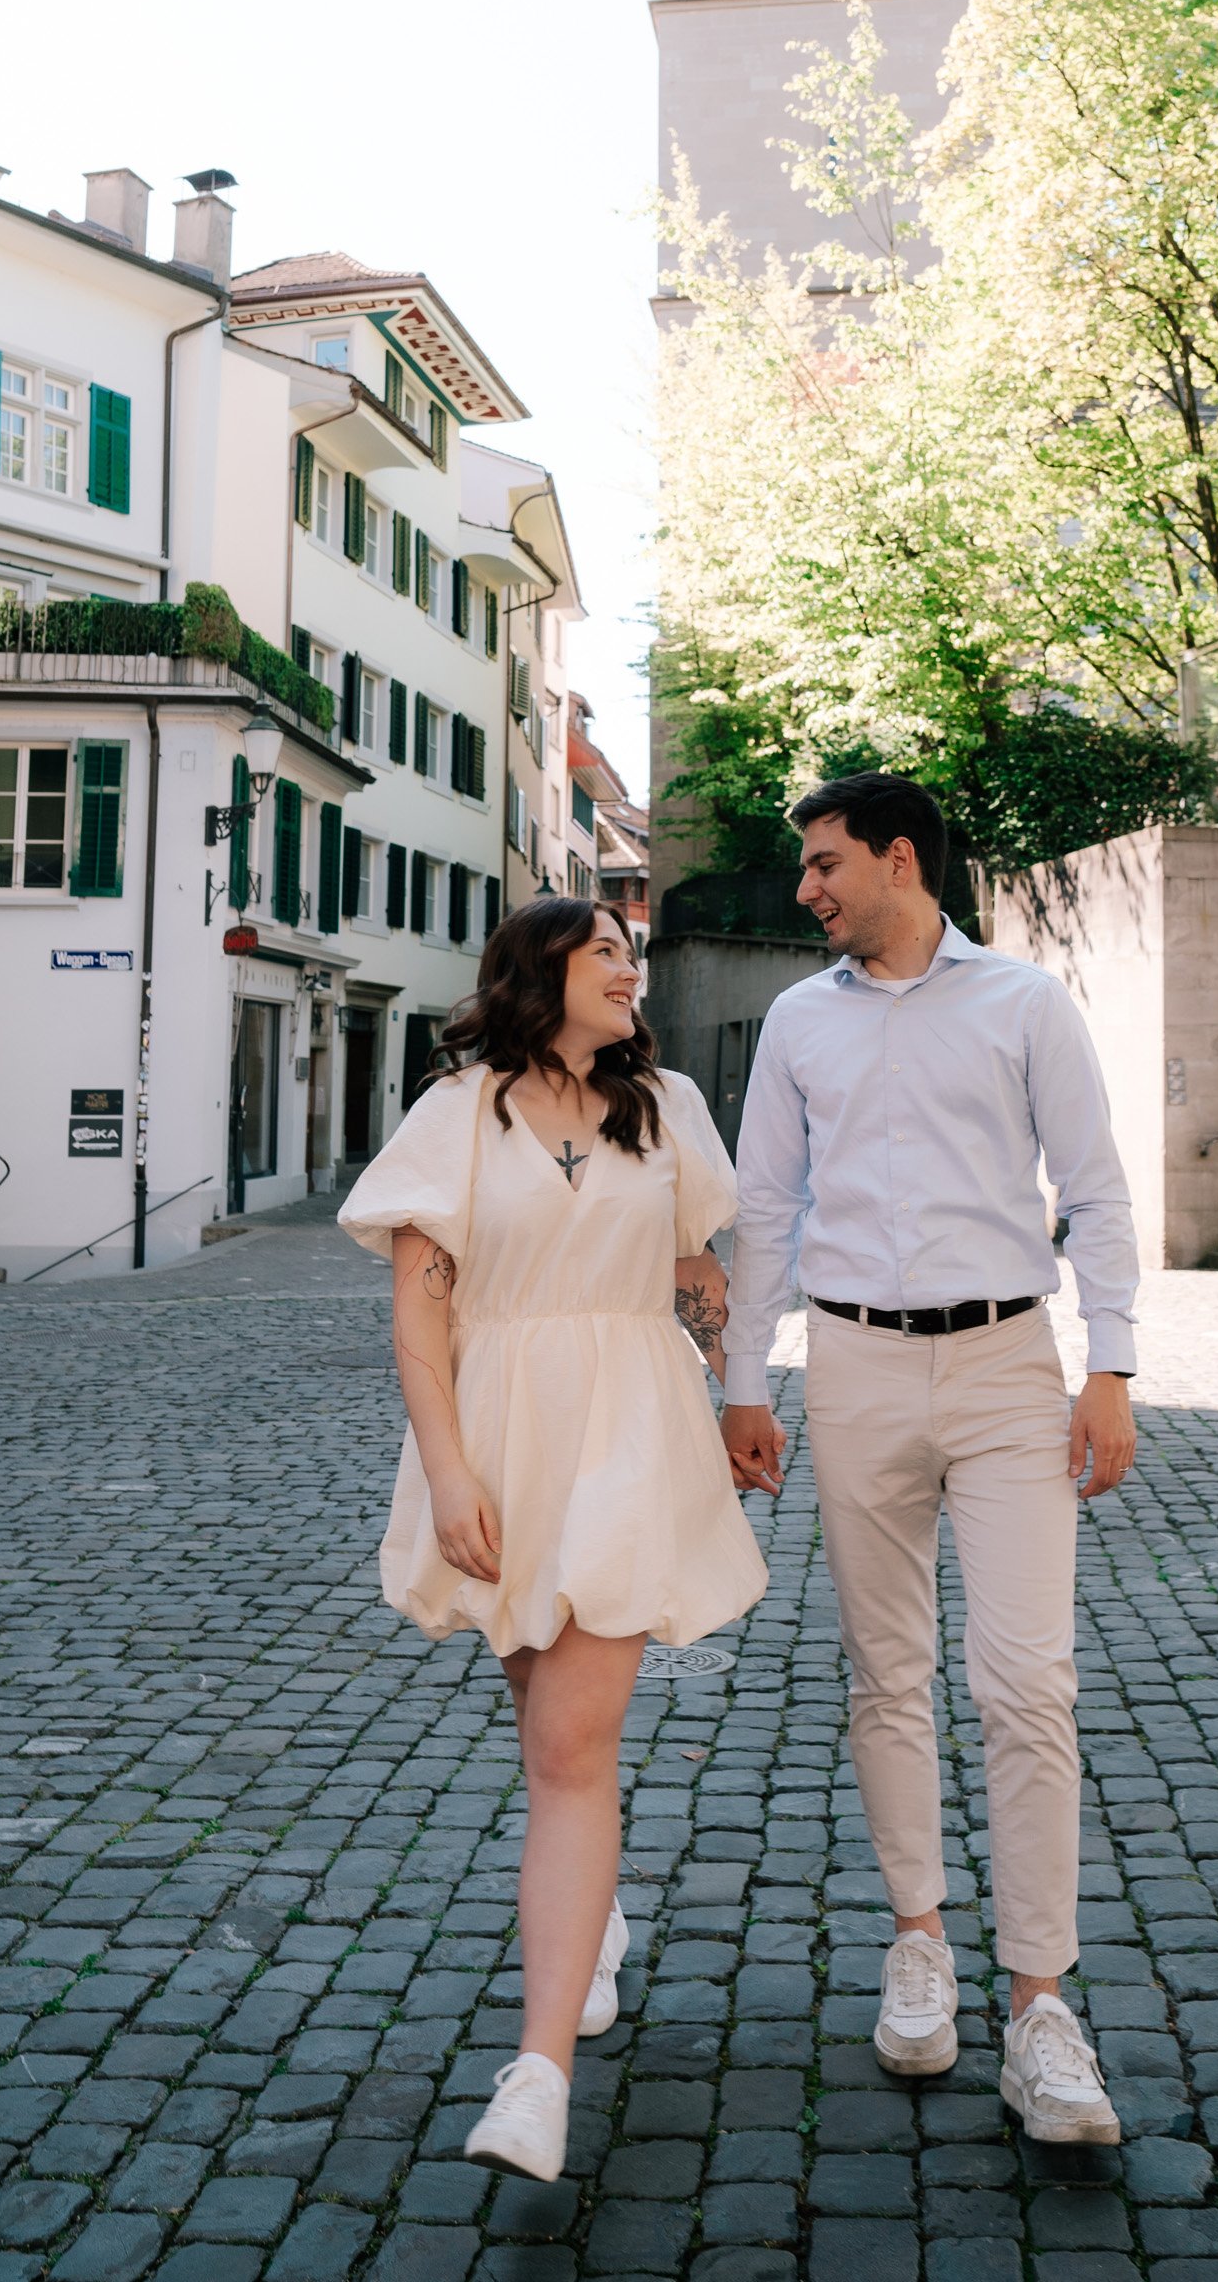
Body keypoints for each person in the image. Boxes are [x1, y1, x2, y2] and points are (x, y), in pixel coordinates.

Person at [721, 772, 1138, 2141]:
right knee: (884, 1673)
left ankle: (1041, 2008)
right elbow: (767, 1207)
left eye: (828, 865)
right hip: (852, 1367)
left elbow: (1094, 1191)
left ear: (902, 862)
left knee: (1028, 1681)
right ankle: (920, 1943)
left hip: (1011, 1366)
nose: (808, 890)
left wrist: (1113, 1367)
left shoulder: (1025, 1005)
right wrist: (745, 1387)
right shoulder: (794, 1022)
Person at [339, 896, 765, 2183]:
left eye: (632, 957)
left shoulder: (668, 1108)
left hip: (635, 1429)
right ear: (540, 975)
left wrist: (736, 1388)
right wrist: (453, 1472)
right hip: (504, 1438)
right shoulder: (454, 1117)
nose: (632, 972)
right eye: (607, 955)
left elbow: (695, 1270)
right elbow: (421, 1324)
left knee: (573, 1748)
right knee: (544, 1731)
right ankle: (594, 1913)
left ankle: (537, 2076)